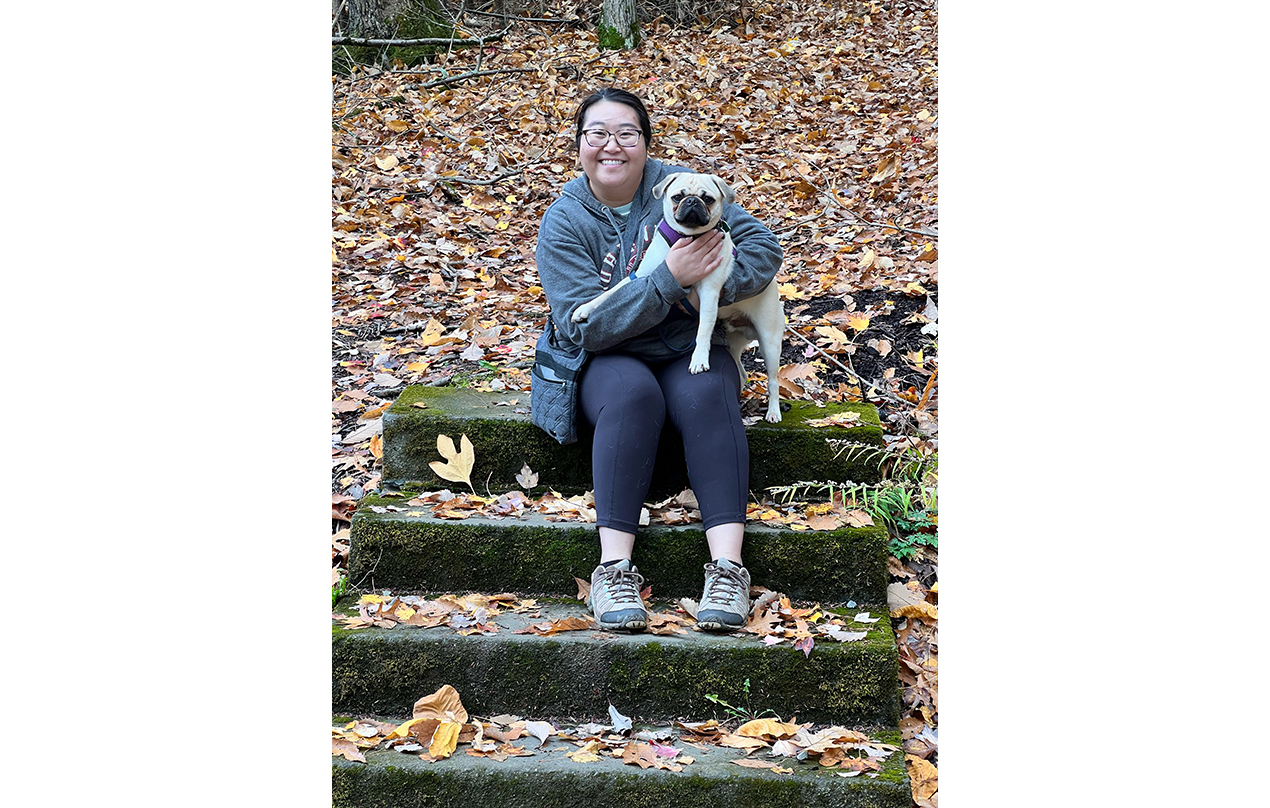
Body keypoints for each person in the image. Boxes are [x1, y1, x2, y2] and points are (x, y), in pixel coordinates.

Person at [534, 88, 783, 632]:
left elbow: (764, 249)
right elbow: (588, 325)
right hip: (605, 356)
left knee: (709, 394)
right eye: (596, 134)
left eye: (627, 133)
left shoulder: (682, 186)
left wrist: (709, 287)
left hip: (684, 344)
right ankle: (614, 568)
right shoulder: (564, 221)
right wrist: (669, 278)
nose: (612, 146)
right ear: (579, 146)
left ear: (646, 144)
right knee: (632, 396)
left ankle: (728, 568)